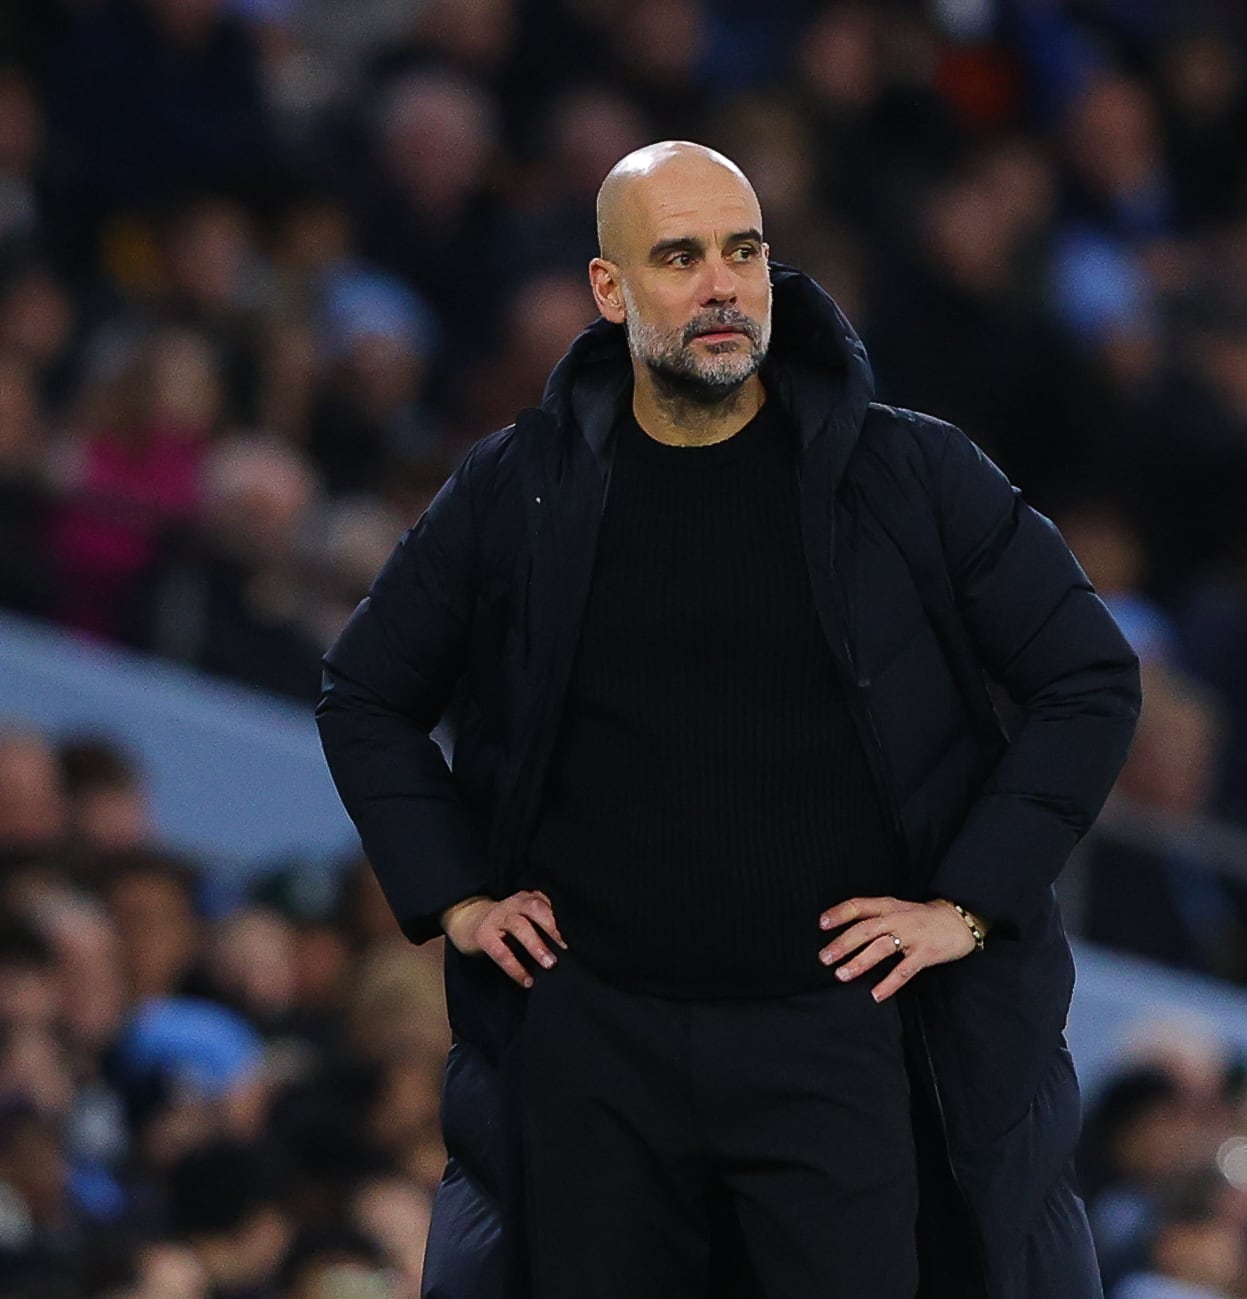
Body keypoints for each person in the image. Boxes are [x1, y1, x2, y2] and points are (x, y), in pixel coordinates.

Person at [315, 141, 1141, 1299]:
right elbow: (365, 693)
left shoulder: (908, 473)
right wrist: (452, 894)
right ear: (610, 292)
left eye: (743, 250)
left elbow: (1089, 679)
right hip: (592, 1039)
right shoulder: (521, 486)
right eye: (679, 256)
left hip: (835, 1036)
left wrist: (965, 905)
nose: (721, 284)